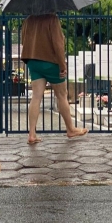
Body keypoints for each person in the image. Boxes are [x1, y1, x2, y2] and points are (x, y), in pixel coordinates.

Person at [21, 13, 89, 145]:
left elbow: (24, 40)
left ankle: (32, 134)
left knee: (36, 97)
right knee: (62, 95)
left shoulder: (28, 19)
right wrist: (62, 65)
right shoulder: (52, 19)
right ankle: (71, 129)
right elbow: (58, 43)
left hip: (33, 61)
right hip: (51, 62)